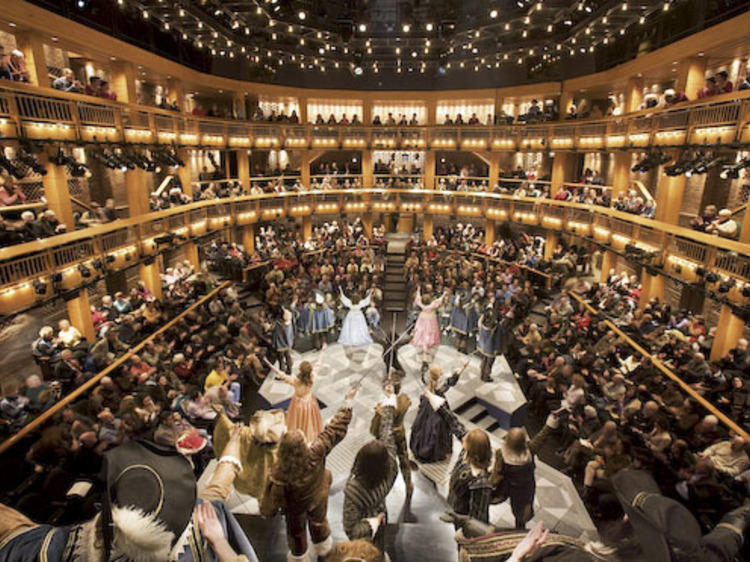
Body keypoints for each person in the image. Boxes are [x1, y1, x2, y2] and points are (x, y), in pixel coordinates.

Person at [0, 427, 258, 561]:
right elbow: (219, 484)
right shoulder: (204, 525)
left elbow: (14, 535)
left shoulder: (63, 548)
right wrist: (220, 542)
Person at [261, 387, 357, 562]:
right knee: (319, 523)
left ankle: (300, 557)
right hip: (317, 498)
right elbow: (334, 430)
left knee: (296, 533)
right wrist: (348, 402)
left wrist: (270, 510)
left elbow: (271, 504)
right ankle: (324, 550)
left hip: (295, 510)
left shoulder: (278, 473)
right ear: (303, 447)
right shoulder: (317, 452)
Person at [343, 391, 398, 550]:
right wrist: (389, 405)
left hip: (366, 530)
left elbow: (351, 530)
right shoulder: (391, 467)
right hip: (381, 512)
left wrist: (373, 522)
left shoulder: (353, 490)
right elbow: (387, 435)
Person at [369, 374, 414, 502]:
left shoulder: (382, 408)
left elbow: (373, 430)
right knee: (404, 460)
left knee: (386, 466)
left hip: (388, 440)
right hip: (401, 434)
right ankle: (409, 485)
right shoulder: (404, 399)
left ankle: (382, 494)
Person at [409, 363, 466, 463]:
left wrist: (462, 368)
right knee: (438, 427)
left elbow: (450, 380)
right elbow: (450, 381)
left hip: (427, 405)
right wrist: (462, 368)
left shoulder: (430, 382)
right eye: (441, 372)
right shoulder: (440, 387)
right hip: (438, 407)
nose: (443, 373)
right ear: (438, 376)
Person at [265, 353, 324, 444]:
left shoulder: (296, 381)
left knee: (296, 421)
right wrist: (322, 352)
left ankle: (296, 437)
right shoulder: (312, 379)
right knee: (308, 420)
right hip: (309, 403)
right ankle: (308, 436)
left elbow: (281, 375)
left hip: (297, 404)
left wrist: (269, 364)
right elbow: (318, 364)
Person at [410, 285, 447, 379]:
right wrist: (444, 294)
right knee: (430, 332)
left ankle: (424, 351)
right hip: (430, 319)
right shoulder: (432, 305)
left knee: (422, 332)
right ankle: (427, 350)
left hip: (422, 319)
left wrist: (418, 290)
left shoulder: (422, 305)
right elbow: (439, 301)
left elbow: (418, 298)